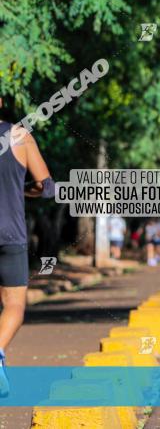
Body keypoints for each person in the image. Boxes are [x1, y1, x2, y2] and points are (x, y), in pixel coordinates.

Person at [0, 95, 54, 396]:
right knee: (15, 304)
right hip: (10, 234)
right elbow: (46, 187)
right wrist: (22, 191)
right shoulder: (20, 135)